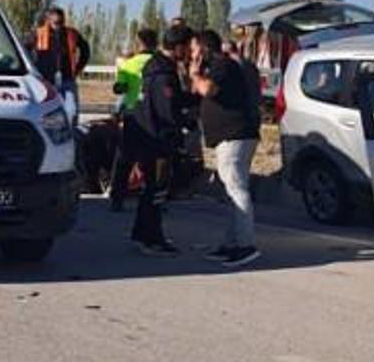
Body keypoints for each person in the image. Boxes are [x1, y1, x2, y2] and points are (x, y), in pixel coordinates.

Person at [190, 30, 262, 266]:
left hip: (235, 136)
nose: (192, 54)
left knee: (236, 190)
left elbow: (208, 90)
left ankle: (246, 244)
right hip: (229, 138)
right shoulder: (219, 67)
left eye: (194, 49)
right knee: (230, 192)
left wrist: (194, 73)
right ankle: (231, 243)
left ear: (204, 48)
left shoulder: (222, 65)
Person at [124, 24, 193, 254]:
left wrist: (192, 100)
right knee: (157, 191)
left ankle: (141, 233)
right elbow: (167, 109)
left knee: (150, 189)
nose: (190, 53)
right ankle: (153, 238)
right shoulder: (164, 73)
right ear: (179, 47)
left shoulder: (151, 66)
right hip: (158, 140)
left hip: (145, 136)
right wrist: (185, 124)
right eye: (188, 48)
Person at [108, 28, 158, 212]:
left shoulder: (129, 65)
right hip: (154, 116)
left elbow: (119, 88)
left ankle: (117, 198)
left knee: (125, 159)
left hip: (133, 115)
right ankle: (152, 197)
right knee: (152, 159)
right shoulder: (159, 63)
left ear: (139, 43)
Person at [33, 7, 91, 115]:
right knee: (48, 114)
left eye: (61, 22)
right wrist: (33, 70)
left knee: (72, 111)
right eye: (56, 22)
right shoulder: (38, 34)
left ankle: (70, 131)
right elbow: (23, 49)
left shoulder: (72, 33)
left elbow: (85, 50)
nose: (59, 25)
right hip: (47, 81)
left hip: (68, 79)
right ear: (49, 20)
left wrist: (78, 68)